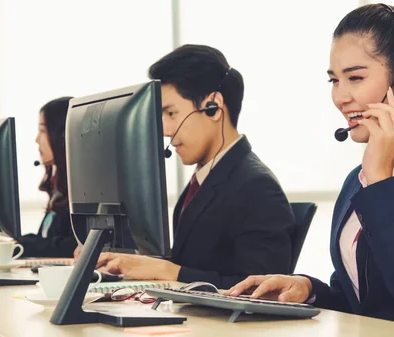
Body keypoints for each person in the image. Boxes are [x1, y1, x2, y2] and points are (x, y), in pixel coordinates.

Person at [227, 3, 394, 336]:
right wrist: (307, 288)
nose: (341, 97)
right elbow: (363, 302)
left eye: (355, 77)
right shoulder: (358, 180)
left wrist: (381, 179)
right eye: (334, 80)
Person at [79, 44, 295, 290]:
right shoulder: (205, 179)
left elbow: (261, 289)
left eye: (171, 113)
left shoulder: (256, 187)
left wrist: (170, 271)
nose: (165, 130)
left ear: (213, 107)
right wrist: (137, 263)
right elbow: (196, 264)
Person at [17, 96, 82, 258]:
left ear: (62, 136)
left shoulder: (83, 189)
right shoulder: (60, 187)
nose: (37, 139)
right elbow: (48, 240)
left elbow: (75, 246)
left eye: (43, 131)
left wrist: (23, 245)